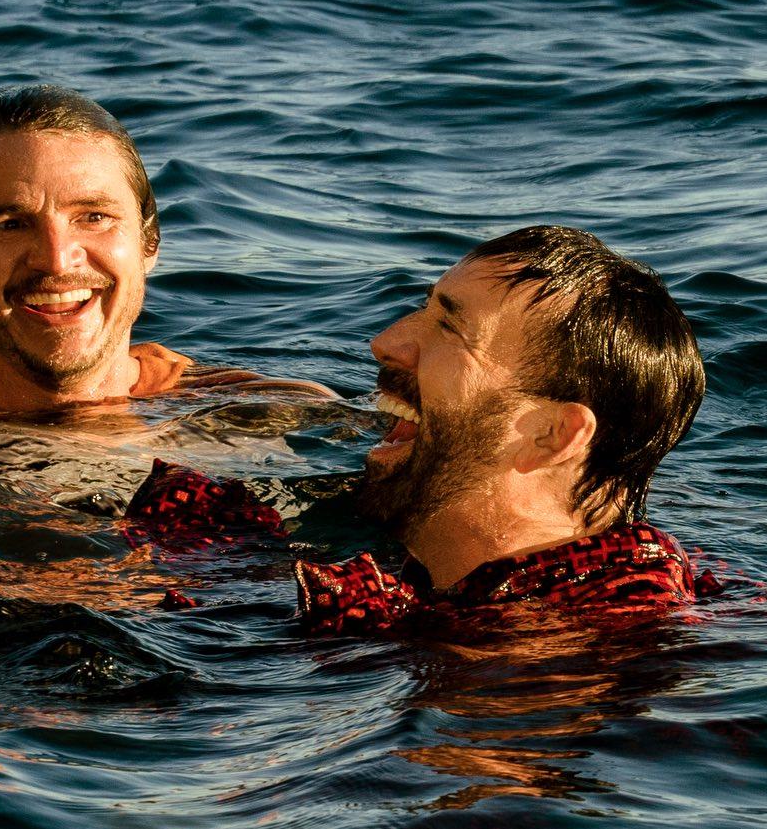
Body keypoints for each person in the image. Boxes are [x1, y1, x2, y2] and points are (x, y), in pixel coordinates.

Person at [123, 224, 726, 634]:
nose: (384, 342)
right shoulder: (466, 585)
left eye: (450, 329)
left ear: (551, 435)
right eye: (425, 308)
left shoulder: (571, 646)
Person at [0, 84, 319, 414]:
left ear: (149, 243)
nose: (56, 258)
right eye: (10, 224)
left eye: (93, 217)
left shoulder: (263, 417)